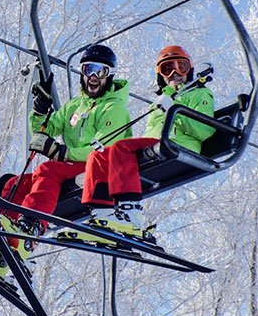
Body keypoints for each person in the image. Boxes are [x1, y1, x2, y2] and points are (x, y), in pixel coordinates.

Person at [0, 44, 133, 277]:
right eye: (88, 69)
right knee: (15, 184)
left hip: (101, 168)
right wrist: (40, 110)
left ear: (109, 75)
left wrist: (61, 153)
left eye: (100, 71)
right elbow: (43, 129)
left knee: (48, 169)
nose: (93, 77)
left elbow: (104, 150)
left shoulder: (114, 108)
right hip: (73, 167)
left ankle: (30, 228)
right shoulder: (76, 105)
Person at [66, 45, 214, 245]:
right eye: (167, 69)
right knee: (99, 155)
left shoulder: (200, 94)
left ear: (190, 70)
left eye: (182, 67)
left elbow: (205, 130)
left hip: (178, 146)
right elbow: (149, 133)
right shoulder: (161, 100)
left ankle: (131, 213)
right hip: (156, 147)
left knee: (120, 147)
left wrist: (175, 111)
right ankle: (103, 214)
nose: (175, 74)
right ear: (160, 75)